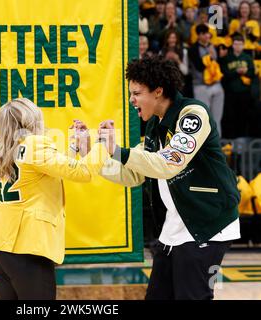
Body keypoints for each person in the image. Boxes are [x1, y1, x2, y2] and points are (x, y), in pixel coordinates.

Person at [73, 55, 241, 300]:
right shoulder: (154, 126)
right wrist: (92, 152)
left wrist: (117, 150)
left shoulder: (192, 115)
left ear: (158, 91)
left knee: (192, 295)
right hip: (174, 229)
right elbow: (131, 174)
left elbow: (168, 164)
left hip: (208, 224)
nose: (132, 100)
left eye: (137, 93)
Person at [0, 98, 108, 300]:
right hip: (27, 247)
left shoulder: (1, 145)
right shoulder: (34, 144)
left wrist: (74, 147)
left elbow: (47, 172)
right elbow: (83, 172)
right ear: (31, 119)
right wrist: (104, 144)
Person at [189, 23, 225, 136]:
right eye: (203, 34)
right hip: (201, 86)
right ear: (198, 35)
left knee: (217, 118)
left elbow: (219, 65)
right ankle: (204, 145)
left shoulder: (214, 46)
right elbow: (199, 67)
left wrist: (219, 56)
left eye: (207, 33)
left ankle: (217, 144)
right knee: (203, 117)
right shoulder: (193, 49)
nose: (206, 36)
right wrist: (210, 56)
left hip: (216, 84)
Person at [220, 33, 256, 138]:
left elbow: (252, 73)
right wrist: (237, 72)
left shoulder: (247, 58)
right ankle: (230, 142)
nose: (238, 46)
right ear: (232, 45)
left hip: (244, 92)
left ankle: (242, 142)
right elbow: (224, 74)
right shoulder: (227, 58)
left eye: (240, 44)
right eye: (236, 44)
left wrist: (245, 72)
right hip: (231, 92)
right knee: (230, 118)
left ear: (243, 45)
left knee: (243, 118)